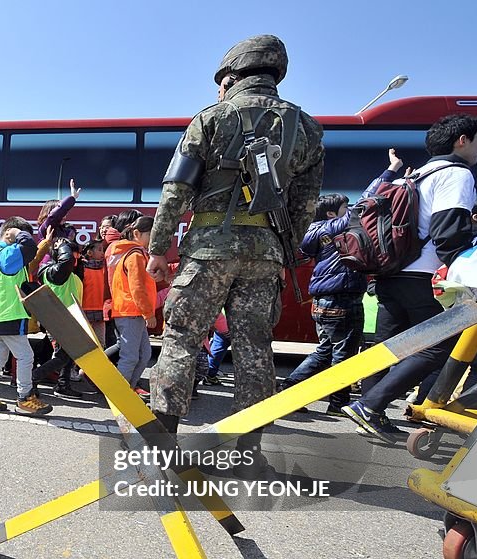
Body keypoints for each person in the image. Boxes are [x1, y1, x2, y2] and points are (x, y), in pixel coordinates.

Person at [146, 34, 325, 471]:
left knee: (183, 339)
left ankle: (162, 446)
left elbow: (176, 190)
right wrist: (282, 247)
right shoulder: (305, 127)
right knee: (255, 347)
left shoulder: (210, 118)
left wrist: (157, 247)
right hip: (266, 255)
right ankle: (247, 452)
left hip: (208, 250)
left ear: (231, 75)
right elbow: (306, 201)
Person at [344, 114, 477, 443]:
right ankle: (370, 405)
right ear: (461, 140)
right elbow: (448, 231)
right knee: (439, 346)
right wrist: (463, 276)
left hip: (391, 271)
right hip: (422, 275)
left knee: (385, 347)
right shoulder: (456, 174)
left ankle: (369, 411)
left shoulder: (417, 174)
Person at [278, 152, 405, 411]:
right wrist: (391, 172)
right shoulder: (335, 227)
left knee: (325, 351)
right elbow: (365, 203)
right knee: (343, 356)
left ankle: (289, 389)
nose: (350, 213)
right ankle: (337, 403)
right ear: (332, 213)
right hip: (343, 299)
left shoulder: (310, 232)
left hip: (322, 302)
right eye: (344, 209)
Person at [0, 217, 53, 415]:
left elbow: (30, 252)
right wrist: (18, 234)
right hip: (9, 314)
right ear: (10, 235)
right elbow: (29, 247)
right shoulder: (8, 252)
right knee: (26, 356)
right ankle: (25, 398)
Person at [108, 216, 158, 394]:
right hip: (131, 312)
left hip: (132, 312)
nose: (154, 238)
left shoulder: (134, 253)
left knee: (144, 355)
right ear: (137, 234)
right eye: (152, 234)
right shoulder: (135, 255)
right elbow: (137, 288)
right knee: (130, 357)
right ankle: (119, 395)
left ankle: (127, 390)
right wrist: (148, 313)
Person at [31, 237, 87, 398]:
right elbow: (66, 262)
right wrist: (63, 246)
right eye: (71, 255)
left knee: (68, 355)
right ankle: (33, 378)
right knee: (63, 356)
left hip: (69, 319)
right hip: (57, 319)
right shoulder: (51, 271)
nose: (75, 259)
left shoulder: (71, 275)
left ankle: (63, 384)